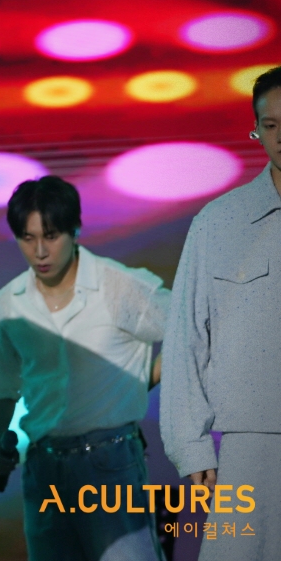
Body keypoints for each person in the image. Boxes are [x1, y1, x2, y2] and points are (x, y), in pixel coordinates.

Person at [0, 176, 169, 561]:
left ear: (75, 229)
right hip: (44, 465)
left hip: (110, 460)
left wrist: (139, 382)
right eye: (27, 238)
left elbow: (190, 330)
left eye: (51, 236)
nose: (39, 251)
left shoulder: (117, 286)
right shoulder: (9, 303)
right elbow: (1, 382)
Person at [161, 65, 281, 560]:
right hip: (248, 451)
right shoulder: (220, 222)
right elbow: (185, 337)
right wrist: (189, 445)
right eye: (270, 125)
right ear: (256, 130)